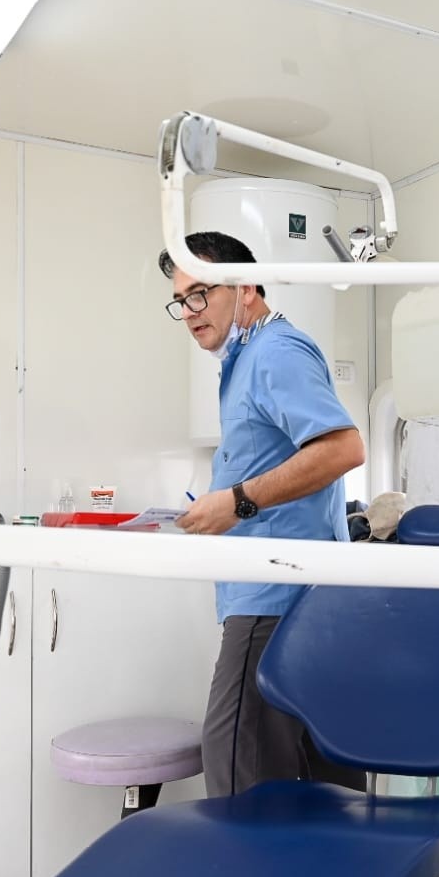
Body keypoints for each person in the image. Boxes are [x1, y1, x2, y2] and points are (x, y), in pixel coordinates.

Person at [160, 231, 367, 796]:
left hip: (274, 598)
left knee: (236, 769)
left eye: (200, 294)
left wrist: (237, 502)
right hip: (293, 596)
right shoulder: (245, 360)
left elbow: (344, 449)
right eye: (180, 301)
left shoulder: (275, 352)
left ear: (246, 288)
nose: (189, 312)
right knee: (324, 777)